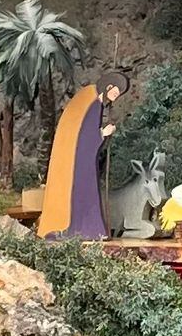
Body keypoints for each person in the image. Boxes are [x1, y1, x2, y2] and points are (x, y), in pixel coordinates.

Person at [38, 70, 128, 240]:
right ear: (108, 87)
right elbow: (85, 137)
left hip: (83, 159)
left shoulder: (96, 104)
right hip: (78, 161)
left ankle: (91, 231)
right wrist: (103, 133)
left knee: (88, 192)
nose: (116, 97)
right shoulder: (92, 105)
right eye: (115, 92)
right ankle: (80, 230)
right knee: (82, 193)